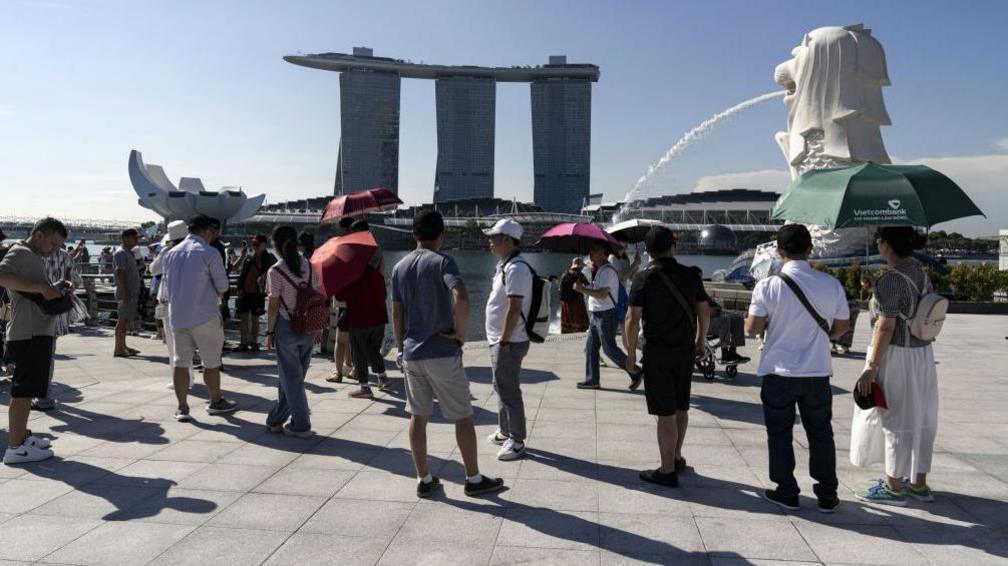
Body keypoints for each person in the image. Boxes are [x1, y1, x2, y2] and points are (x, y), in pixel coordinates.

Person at [391, 210, 504, 498]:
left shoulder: (400, 267)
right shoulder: (443, 261)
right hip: (441, 351)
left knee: (418, 416)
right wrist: (460, 334)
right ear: (441, 235)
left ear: (414, 234)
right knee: (462, 415)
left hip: (412, 353)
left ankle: (424, 478)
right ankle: (473, 478)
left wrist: (400, 346)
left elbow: (397, 312)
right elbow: (462, 296)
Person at [745, 224, 850, 513]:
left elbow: (753, 328)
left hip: (779, 372)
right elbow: (842, 327)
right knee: (820, 433)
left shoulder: (767, 285)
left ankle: (786, 490)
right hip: (817, 372)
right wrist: (820, 336)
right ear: (810, 249)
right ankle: (827, 494)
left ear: (778, 251)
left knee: (779, 433)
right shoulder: (831, 284)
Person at [853, 227, 939, 506]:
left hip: (897, 355)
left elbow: (886, 326)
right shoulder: (918, 270)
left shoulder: (891, 279)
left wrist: (871, 366)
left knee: (895, 418)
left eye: (878, 241)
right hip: (922, 354)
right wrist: (874, 288)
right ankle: (919, 483)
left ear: (887, 245)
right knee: (922, 417)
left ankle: (893, 487)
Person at [624, 226, 711, 487]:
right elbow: (704, 311)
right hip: (684, 351)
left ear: (648, 250)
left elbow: (632, 319)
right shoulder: (691, 274)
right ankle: (677, 455)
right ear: (672, 247)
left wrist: (630, 355)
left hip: (658, 353)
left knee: (665, 413)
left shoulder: (643, 278)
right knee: (681, 406)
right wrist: (700, 340)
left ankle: (666, 470)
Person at [0, 217, 68, 464]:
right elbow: (1, 275)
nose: (54, 249)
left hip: (34, 331)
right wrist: (41, 288)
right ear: (39, 234)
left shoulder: (29, 254)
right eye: (52, 243)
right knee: (22, 392)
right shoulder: (20, 252)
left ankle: (22, 437)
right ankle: (15, 448)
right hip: (27, 333)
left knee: (27, 392)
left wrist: (50, 288)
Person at [161, 215, 238, 422]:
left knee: (180, 362)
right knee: (211, 362)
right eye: (213, 232)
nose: (214, 236)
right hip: (205, 315)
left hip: (177, 316)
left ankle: (182, 408)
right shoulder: (209, 252)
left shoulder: (170, 253)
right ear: (206, 231)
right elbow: (223, 286)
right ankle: (215, 401)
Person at [483, 219, 533, 461]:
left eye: (494, 236)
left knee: (509, 389)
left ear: (507, 239)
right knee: (500, 385)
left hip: (509, 340)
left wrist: (503, 340)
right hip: (500, 338)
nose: (489, 240)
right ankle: (505, 431)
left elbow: (514, 308)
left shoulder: (517, 268)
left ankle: (518, 439)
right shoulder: (505, 264)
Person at [264, 226, 319, 438]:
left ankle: (301, 425)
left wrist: (269, 333)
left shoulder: (276, 271)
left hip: (286, 328)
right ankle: (277, 420)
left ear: (276, 246)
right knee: (290, 378)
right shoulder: (310, 266)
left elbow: (273, 305)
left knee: (291, 379)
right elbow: (315, 296)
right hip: (307, 327)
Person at [574, 242, 642, 390]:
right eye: (590, 250)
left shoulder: (607, 271)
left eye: (594, 250)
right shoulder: (600, 270)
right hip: (597, 314)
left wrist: (582, 290)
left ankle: (635, 371)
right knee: (591, 347)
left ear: (603, 254)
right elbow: (598, 290)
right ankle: (592, 379)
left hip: (606, 314)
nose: (591, 253)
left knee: (609, 348)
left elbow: (603, 293)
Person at [335, 220, 390, 398]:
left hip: (360, 318)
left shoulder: (353, 277)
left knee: (359, 351)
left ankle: (365, 387)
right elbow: (384, 296)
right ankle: (382, 378)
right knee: (374, 349)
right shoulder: (377, 275)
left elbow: (340, 297)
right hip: (379, 316)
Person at [33, 243, 85, 411]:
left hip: (33, 310)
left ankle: (40, 396)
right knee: (48, 354)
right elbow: (76, 282)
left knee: (35, 354)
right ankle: (43, 396)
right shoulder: (64, 255)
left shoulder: (32, 254)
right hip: (56, 311)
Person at [149, 221, 191, 389]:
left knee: (173, 343)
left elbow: (153, 269)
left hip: (169, 300)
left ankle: (179, 379)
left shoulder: (167, 252)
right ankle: (190, 377)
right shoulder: (193, 250)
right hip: (188, 300)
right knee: (187, 342)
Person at [327, 216, 358, 382]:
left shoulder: (344, 247)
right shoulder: (364, 248)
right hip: (359, 299)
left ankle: (338, 372)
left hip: (346, 298)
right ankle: (352, 366)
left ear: (346, 229)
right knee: (354, 338)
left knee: (340, 339)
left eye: (341, 229)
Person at [234, 234, 276, 352]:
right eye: (254, 244)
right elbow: (242, 275)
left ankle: (254, 342)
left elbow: (276, 273)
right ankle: (243, 343)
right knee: (243, 318)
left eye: (257, 244)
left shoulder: (270, 258)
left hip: (258, 294)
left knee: (255, 318)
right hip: (245, 292)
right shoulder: (248, 257)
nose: (255, 246)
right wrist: (239, 288)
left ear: (264, 245)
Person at [112, 228, 141, 357]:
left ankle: (123, 346)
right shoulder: (121, 253)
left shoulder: (129, 252)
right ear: (125, 238)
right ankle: (118, 348)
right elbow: (120, 272)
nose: (136, 240)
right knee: (122, 321)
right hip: (126, 292)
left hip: (131, 292)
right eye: (134, 238)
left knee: (126, 320)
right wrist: (125, 292)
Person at [608, 244, 640, 337]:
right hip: (613, 293)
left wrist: (636, 264)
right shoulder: (612, 258)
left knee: (623, 321)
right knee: (619, 321)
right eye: (621, 241)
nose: (625, 245)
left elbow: (630, 277)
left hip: (622, 293)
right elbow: (620, 278)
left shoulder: (626, 258)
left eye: (626, 242)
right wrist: (634, 266)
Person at [559, 258, 590, 333]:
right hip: (575, 301)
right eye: (582, 266)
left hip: (564, 302)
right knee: (578, 323)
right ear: (579, 266)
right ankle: (577, 333)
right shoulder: (579, 274)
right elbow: (588, 285)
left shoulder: (565, 273)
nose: (583, 268)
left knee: (567, 324)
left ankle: (567, 332)